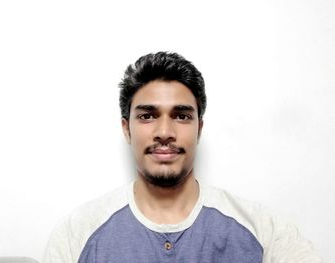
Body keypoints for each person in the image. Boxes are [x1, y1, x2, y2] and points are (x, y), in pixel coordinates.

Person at [42, 52, 321, 263]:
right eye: (148, 116)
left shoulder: (266, 232)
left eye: (182, 116)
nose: (164, 131)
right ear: (127, 128)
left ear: (199, 128)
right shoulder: (76, 235)